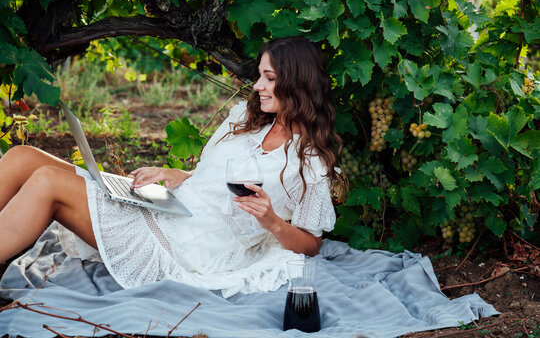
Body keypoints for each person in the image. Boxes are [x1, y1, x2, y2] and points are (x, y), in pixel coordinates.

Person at [0, 37, 344, 298]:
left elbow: (311, 244)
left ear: (296, 83)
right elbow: (212, 178)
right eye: (260, 76)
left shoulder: (309, 163)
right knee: (23, 157)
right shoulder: (245, 119)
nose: (257, 86)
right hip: (167, 205)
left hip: (187, 247)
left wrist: (271, 222)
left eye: (268, 78)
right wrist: (178, 175)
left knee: (47, 181)